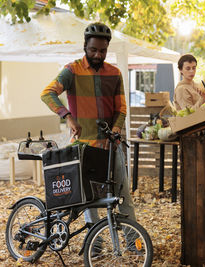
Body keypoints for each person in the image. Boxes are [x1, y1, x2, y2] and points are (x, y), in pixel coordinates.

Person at [40, 22, 136, 226]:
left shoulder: (114, 73)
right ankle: (96, 245)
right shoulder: (71, 71)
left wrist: (116, 129)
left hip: (111, 145)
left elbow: (121, 108)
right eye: (93, 50)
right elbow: (47, 93)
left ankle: (133, 242)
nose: (98, 55)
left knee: (122, 194)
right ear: (85, 46)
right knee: (89, 198)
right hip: (83, 146)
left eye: (103, 51)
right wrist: (67, 115)